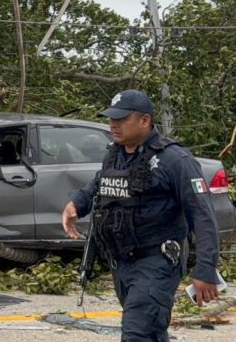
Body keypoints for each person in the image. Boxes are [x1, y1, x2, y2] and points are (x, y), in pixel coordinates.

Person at [61, 90, 221, 342]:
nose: (113, 124)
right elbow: (100, 184)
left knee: (136, 332)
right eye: (111, 118)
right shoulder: (115, 154)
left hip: (157, 261)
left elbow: (202, 215)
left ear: (145, 121)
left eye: (122, 118)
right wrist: (77, 204)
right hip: (122, 262)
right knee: (151, 331)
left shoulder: (175, 159)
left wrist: (205, 269)